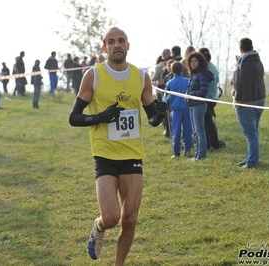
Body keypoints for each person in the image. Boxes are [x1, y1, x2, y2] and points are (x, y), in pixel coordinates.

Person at [68, 27, 167, 265]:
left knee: (130, 219)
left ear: (128, 45)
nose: (116, 45)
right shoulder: (94, 75)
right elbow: (74, 117)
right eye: (111, 42)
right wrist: (102, 116)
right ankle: (99, 227)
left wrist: (160, 114)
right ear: (104, 48)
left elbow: (152, 117)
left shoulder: (142, 77)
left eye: (121, 41)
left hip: (132, 153)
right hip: (105, 153)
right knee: (112, 217)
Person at [231, 38, 266, 169]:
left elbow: (240, 83)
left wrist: (236, 99)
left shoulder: (243, 63)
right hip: (259, 100)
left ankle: (251, 162)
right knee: (254, 133)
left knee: (250, 134)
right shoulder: (258, 60)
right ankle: (251, 158)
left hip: (247, 102)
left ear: (241, 49)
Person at [185, 51, 213, 161]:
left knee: (200, 131)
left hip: (199, 105)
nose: (193, 63)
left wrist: (191, 95)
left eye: (195, 61)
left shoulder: (203, 74)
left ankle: (201, 155)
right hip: (192, 105)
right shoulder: (194, 73)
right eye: (191, 61)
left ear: (200, 62)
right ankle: (197, 154)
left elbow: (203, 91)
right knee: (195, 131)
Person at [164, 61, 192, 158]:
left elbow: (166, 98)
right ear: (182, 69)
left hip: (175, 110)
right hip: (187, 109)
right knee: (188, 130)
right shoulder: (188, 81)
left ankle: (176, 152)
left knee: (176, 131)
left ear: (172, 70)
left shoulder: (170, 83)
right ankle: (187, 149)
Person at [199, 47, 221, 152]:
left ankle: (215, 144)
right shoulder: (213, 66)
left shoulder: (205, 68)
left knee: (208, 123)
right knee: (206, 122)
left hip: (207, 98)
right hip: (213, 97)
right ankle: (208, 144)